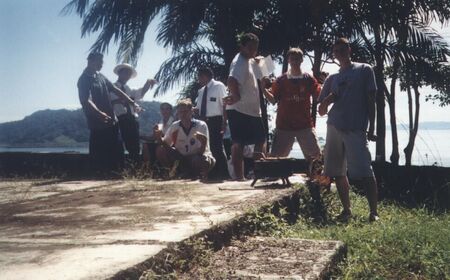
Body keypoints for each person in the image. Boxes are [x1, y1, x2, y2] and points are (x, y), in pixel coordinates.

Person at [318, 37, 379, 222]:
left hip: (356, 128)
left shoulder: (364, 69)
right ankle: (346, 211)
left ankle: (374, 212)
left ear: (349, 50)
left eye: (342, 50)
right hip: (334, 127)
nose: (339, 54)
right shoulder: (332, 78)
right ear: (333, 54)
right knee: (337, 172)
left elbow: (371, 100)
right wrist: (329, 99)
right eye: (336, 51)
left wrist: (371, 127)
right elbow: (321, 110)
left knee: (365, 171)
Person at [77, 52, 140, 174]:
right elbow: (86, 100)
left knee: (117, 148)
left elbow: (115, 90)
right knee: (99, 150)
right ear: (90, 61)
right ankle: (99, 175)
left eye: (102, 62)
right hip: (97, 122)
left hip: (112, 120)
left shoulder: (100, 76)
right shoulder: (83, 79)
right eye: (99, 62)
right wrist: (99, 113)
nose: (101, 64)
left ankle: (118, 174)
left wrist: (131, 102)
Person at [261, 47, 321, 163]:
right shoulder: (281, 80)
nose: (294, 62)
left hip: (305, 125)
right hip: (284, 126)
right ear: (288, 60)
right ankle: (276, 179)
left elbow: (318, 96)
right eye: (292, 59)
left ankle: (317, 179)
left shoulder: (309, 79)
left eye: (297, 59)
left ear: (302, 60)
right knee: (275, 162)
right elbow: (273, 100)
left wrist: (325, 83)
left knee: (316, 159)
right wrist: (263, 90)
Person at [224, 33, 266, 180]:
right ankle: (239, 177)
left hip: (253, 110)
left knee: (260, 140)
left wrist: (262, 64)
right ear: (241, 46)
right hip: (239, 109)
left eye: (255, 48)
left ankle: (257, 173)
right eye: (249, 48)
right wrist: (236, 96)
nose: (253, 51)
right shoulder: (239, 62)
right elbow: (231, 80)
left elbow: (265, 79)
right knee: (238, 143)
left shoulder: (251, 60)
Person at [154, 99, 215, 180]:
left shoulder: (201, 125)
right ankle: (170, 172)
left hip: (197, 156)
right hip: (181, 158)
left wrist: (204, 142)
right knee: (160, 149)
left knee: (201, 160)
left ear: (191, 112)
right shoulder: (175, 126)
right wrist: (158, 137)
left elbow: (201, 151)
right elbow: (166, 144)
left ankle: (198, 175)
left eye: (186, 111)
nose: (183, 114)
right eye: (180, 112)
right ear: (178, 113)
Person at [110, 63, 156, 164]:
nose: (127, 75)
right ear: (119, 73)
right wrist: (118, 101)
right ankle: (119, 169)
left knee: (134, 146)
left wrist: (148, 82)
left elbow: (141, 92)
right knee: (118, 145)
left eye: (129, 74)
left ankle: (134, 169)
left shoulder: (129, 89)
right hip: (118, 119)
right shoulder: (110, 87)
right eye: (125, 72)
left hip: (131, 119)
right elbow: (106, 102)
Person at [194, 67, 228, 180]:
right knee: (207, 147)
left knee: (217, 146)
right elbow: (198, 108)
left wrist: (224, 121)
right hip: (204, 121)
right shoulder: (201, 91)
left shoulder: (219, 86)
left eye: (199, 77)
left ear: (205, 76)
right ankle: (212, 173)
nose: (198, 80)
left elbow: (224, 104)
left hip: (216, 120)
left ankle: (224, 173)